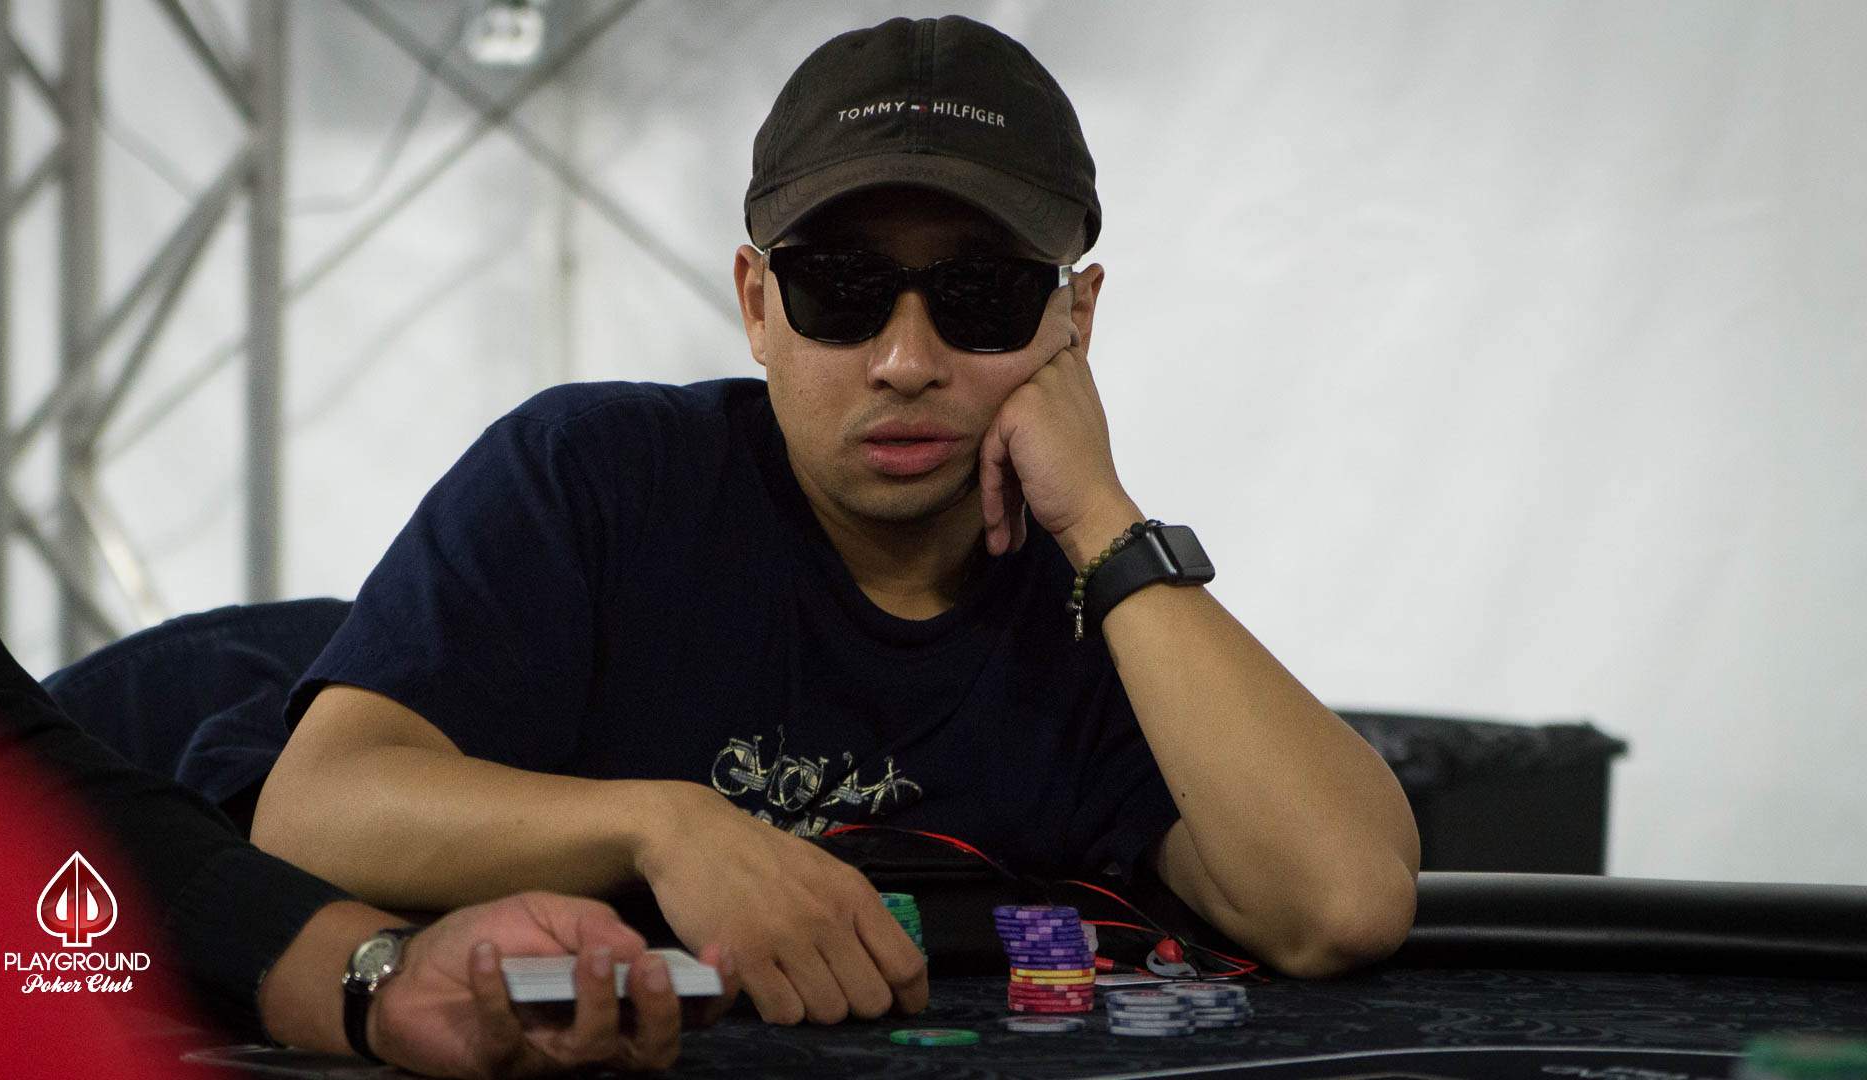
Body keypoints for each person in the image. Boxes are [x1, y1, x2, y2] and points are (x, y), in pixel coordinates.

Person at [252, 14, 1421, 1027]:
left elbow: (1343, 903)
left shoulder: (1103, 606)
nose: (905, 360)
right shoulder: (596, 476)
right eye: (842, 291)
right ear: (757, 306)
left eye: (981, 297)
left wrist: (1109, 526)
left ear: (1075, 319)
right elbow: (308, 814)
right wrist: (669, 830)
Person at [0, 545, 736, 1078]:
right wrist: (657, 824)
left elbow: (9, 771)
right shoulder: (583, 462)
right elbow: (302, 814)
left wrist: (385, 976)